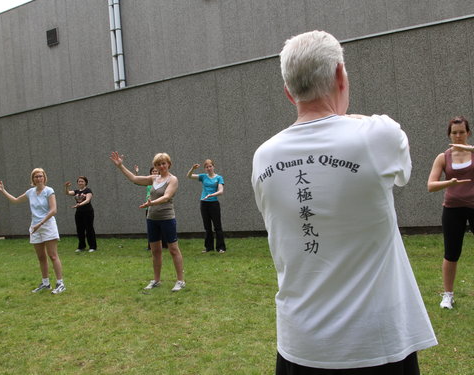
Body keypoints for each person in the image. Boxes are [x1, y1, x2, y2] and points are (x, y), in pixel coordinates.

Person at [251, 30, 437, 374]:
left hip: (298, 345)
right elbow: (402, 173)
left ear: (288, 92)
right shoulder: (378, 135)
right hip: (377, 345)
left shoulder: (264, 157)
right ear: (340, 75)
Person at [110, 151, 185, 292]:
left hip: (167, 218)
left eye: (163, 163)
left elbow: (167, 197)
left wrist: (151, 203)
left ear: (169, 164)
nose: (161, 166)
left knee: (173, 249)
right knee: (155, 251)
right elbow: (134, 178)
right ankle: (156, 280)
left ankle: (180, 281)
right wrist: (120, 166)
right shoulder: (154, 178)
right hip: (152, 219)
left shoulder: (173, 179)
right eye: (158, 164)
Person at [0, 168, 66, 294]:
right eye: (36, 176)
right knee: (41, 257)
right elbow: (15, 200)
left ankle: (60, 283)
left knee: (53, 255)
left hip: (47, 225)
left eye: (40, 176)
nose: (38, 178)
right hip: (35, 227)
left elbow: (53, 210)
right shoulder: (30, 192)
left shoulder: (49, 191)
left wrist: (41, 223)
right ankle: (45, 283)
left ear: (44, 177)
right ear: (33, 179)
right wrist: (3, 191)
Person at [427, 115, 473, 310]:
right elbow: (431, 185)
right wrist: (449, 182)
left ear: (468, 133)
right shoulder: (443, 157)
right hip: (453, 209)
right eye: (454, 133)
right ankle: (448, 295)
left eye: (462, 132)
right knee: (451, 254)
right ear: (449, 135)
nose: (458, 136)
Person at [187, 160, 226, 253]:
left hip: (214, 204)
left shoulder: (219, 178)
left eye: (210, 166)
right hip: (204, 203)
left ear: (213, 166)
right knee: (207, 227)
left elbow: (221, 191)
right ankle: (209, 247)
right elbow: (189, 176)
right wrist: (192, 168)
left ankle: (221, 248)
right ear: (205, 169)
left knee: (217, 226)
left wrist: (212, 195)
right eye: (207, 167)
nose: (209, 168)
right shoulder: (203, 177)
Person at [64, 176, 97, 253]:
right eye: (79, 181)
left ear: (85, 182)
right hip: (79, 212)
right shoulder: (76, 191)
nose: (80, 183)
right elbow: (67, 193)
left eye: (82, 181)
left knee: (89, 229)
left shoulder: (88, 190)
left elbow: (88, 200)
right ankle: (81, 246)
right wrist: (66, 187)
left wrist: (79, 204)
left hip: (88, 212)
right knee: (80, 229)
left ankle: (92, 246)